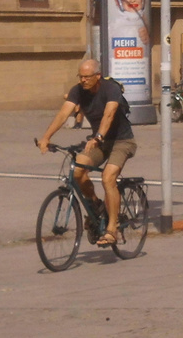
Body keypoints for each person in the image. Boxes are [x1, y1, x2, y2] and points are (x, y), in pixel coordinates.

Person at [37, 58, 136, 247]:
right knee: (77, 172)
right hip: (98, 141)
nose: (83, 80)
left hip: (122, 141)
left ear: (97, 76)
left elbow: (109, 115)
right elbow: (63, 114)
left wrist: (98, 136)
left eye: (87, 77)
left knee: (108, 178)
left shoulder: (110, 89)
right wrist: (46, 137)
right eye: (80, 76)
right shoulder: (77, 91)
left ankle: (112, 229)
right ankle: (96, 206)